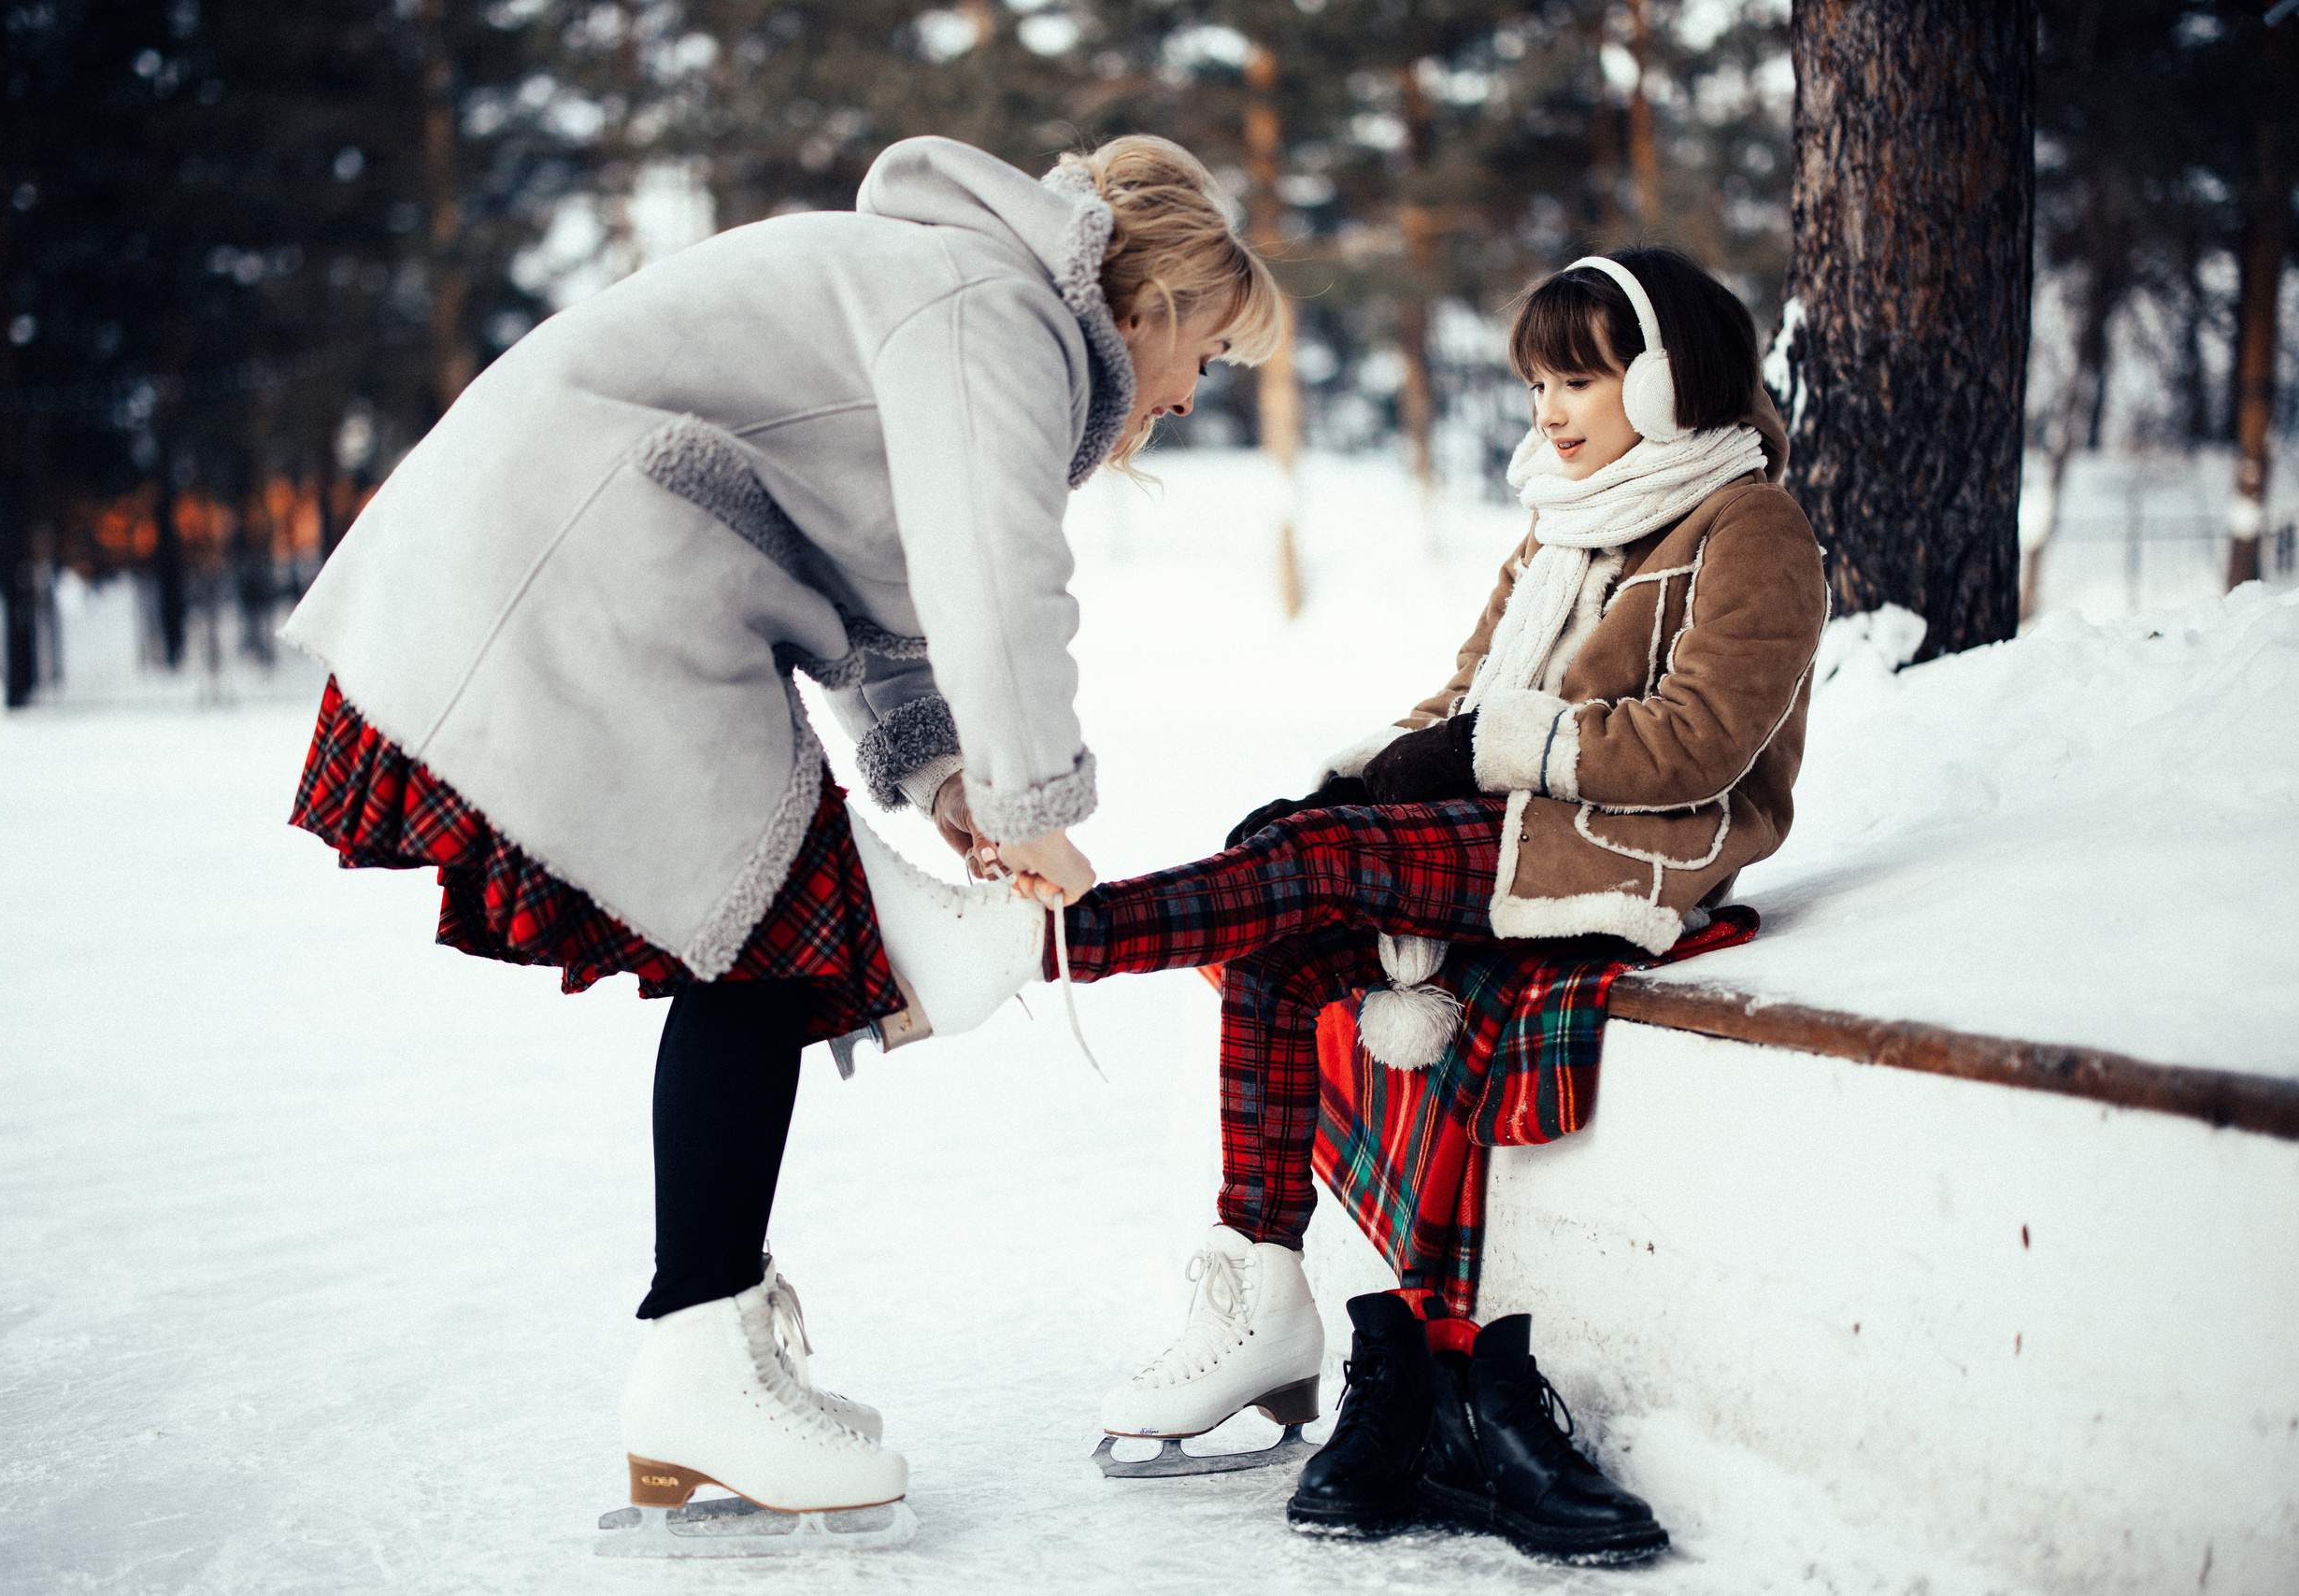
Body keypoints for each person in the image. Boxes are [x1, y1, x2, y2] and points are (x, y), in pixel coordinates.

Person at [279, 133, 1279, 1544]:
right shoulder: (996, 313)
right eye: (1207, 356)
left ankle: (715, 1342)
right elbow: (996, 580)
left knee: (764, 945)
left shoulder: (954, 294)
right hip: (591, 561)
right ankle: (700, 1365)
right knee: (761, 947)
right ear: (1154, 304)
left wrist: (949, 780)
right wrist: (1036, 810)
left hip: (586, 552)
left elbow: (888, 591)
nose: (1183, 396)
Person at [978, 247, 1824, 1556]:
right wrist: (1357, 778)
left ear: (1668, 382)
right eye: (1537, 381)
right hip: (1518, 823)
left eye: (1582, 379)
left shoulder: (1748, 525)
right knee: (1281, 933)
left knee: (1310, 871)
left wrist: (1484, 752)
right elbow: (1462, 697)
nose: (1549, 408)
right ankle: (1262, 1291)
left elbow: (1700, 744)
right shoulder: (1560, 517)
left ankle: (1032, 942)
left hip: (1631, 848)